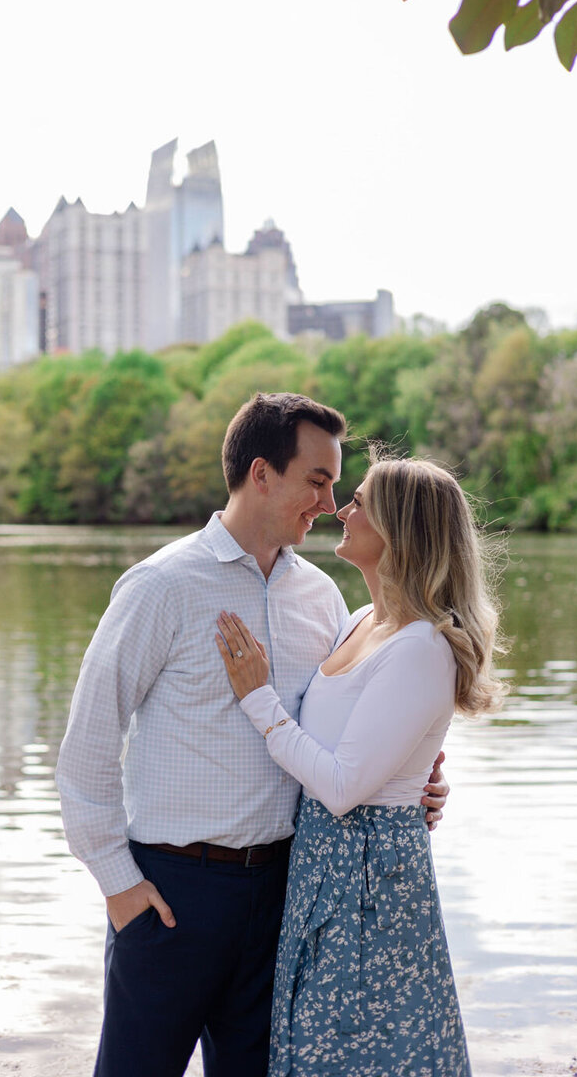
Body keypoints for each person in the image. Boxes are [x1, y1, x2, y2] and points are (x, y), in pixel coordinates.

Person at [56, 394, 449, 1077]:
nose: (328, 504)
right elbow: (89, 744)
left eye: (336, 486)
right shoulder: (161, 586)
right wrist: (118, 884)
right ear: (262, 473)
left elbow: (349, 728)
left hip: (285, 895)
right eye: (318, 481)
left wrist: (412, 782)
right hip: (173, 895)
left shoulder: (323, 600)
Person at [215, 452, 505, 1077]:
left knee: (365, 1052)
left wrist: (257, 699)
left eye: (363, 501)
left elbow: (344, 786)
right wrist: (424, 777)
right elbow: (356, 746)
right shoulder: (361, 621)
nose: (342, 509)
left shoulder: (424, 646)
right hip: (324, 867)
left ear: (401, 529)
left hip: (371, 882)